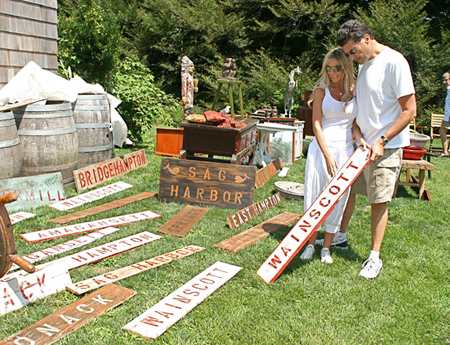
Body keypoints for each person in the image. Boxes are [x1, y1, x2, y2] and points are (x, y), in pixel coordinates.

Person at [336, 20, 416, 279]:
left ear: (367, 39)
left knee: (378, 202)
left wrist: (382, 139)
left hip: (386, 148)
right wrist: (357, 133)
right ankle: (340, 237)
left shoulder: (395, 62)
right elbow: (365, 108)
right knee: (349, 192)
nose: (351, 57)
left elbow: (409, 111)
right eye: (348, 53)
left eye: (353, 51)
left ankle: (374, 258)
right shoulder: (363, 66)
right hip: (362, 147)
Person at [300, 47, 366, 264]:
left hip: (346, 148)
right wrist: (327, 155)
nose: (333, 73)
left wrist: (359, 139)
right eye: (329, 69)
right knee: (315, 193)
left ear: (345, 68)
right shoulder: (321, 91)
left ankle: (326, 247)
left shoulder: (354, 91)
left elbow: (354, 124)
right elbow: (316, 124)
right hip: (322, 148)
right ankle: (310, 243)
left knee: (339, 197)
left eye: (337, 68)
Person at [438, 72, 450, 157]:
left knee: (442, 131)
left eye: (446, 80)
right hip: (447, 116)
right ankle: (445, 151)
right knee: (442, 131)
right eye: (444, 80)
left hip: (449, 116)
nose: (444, 82)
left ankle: (445, 152)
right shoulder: (448, 90)